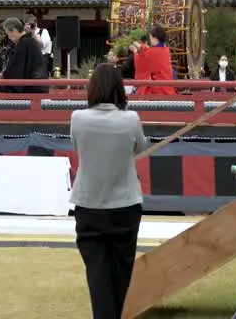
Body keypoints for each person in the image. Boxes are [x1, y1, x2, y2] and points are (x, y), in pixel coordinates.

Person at [70, 63, 147, 319]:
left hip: (89, 205)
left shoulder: (78, 118)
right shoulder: (131, 118)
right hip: (125, 206)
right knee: (122, 274)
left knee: (97, 274)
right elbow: (140, 147)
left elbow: (76, 143)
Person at [0, 17, 47, 94]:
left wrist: (3, 75)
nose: (9, 37)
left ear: (14, 31)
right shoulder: (28, 41)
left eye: (8, 34)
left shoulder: (23, 44)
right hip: (37, 85)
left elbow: (17, 68)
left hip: (32, 88)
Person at [127, 26, 175, 96]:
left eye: (151, 37)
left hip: (159, 90)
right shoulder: (165, 49)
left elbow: (141, 61)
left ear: (155, 38)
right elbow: (147, 52)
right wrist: (139, 46)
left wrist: (135, 51)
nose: (150, 39)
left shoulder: (154, 52)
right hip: (166, 87)